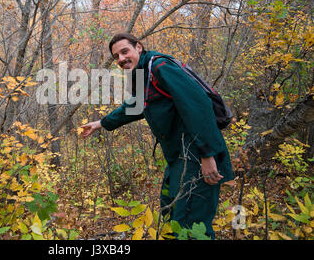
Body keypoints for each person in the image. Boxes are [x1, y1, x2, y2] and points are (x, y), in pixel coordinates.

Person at [80, 32, 234, 239]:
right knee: (170, 213)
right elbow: (134, 108)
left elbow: (198, 106)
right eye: (116, 56)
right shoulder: (144, 74)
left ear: (139, 47)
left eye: (125, 51)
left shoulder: (161, 67)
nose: (121, 59)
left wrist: (207, 155)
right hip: (178, 158)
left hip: (197, 155)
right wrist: (100, 123)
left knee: (191, 225)